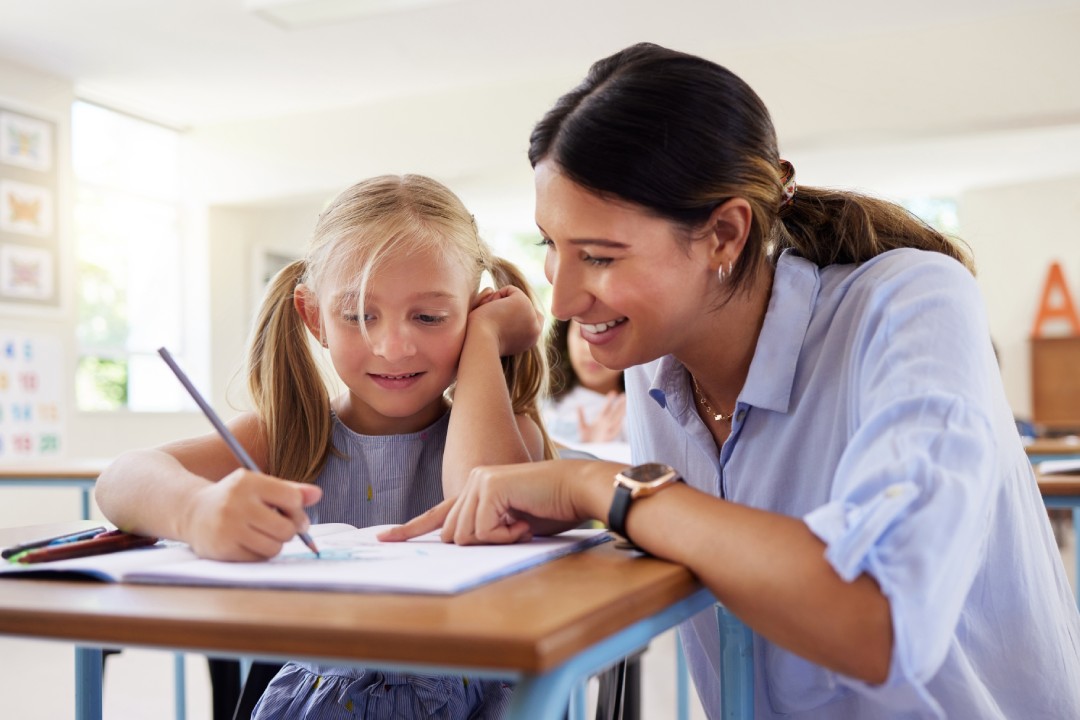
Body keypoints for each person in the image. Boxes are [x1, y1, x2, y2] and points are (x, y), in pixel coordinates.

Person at [382, 43, 1080, 719]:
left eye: (598, 256)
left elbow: (884, 618)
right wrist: (479, 340)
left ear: (723, 235)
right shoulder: (658, 361)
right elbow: (484, 503)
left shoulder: (911, 301)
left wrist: (598, 488)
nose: (559, 300)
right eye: (551, 247)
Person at [95, 174, 555, 719]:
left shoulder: (509, 435)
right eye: (359, 315)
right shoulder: (289, 435)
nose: (392, 346)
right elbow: (119, 480)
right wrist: (195, 511)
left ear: (473, 310)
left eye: (430, 317)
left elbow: (487, 497)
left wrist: (484, 339)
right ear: (315, 318)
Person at [544, 318, 628, 458]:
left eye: (606, 336)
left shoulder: (640, 412)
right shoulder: (539, 402)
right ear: (565, 335)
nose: (589, 350)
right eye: (583, 333)